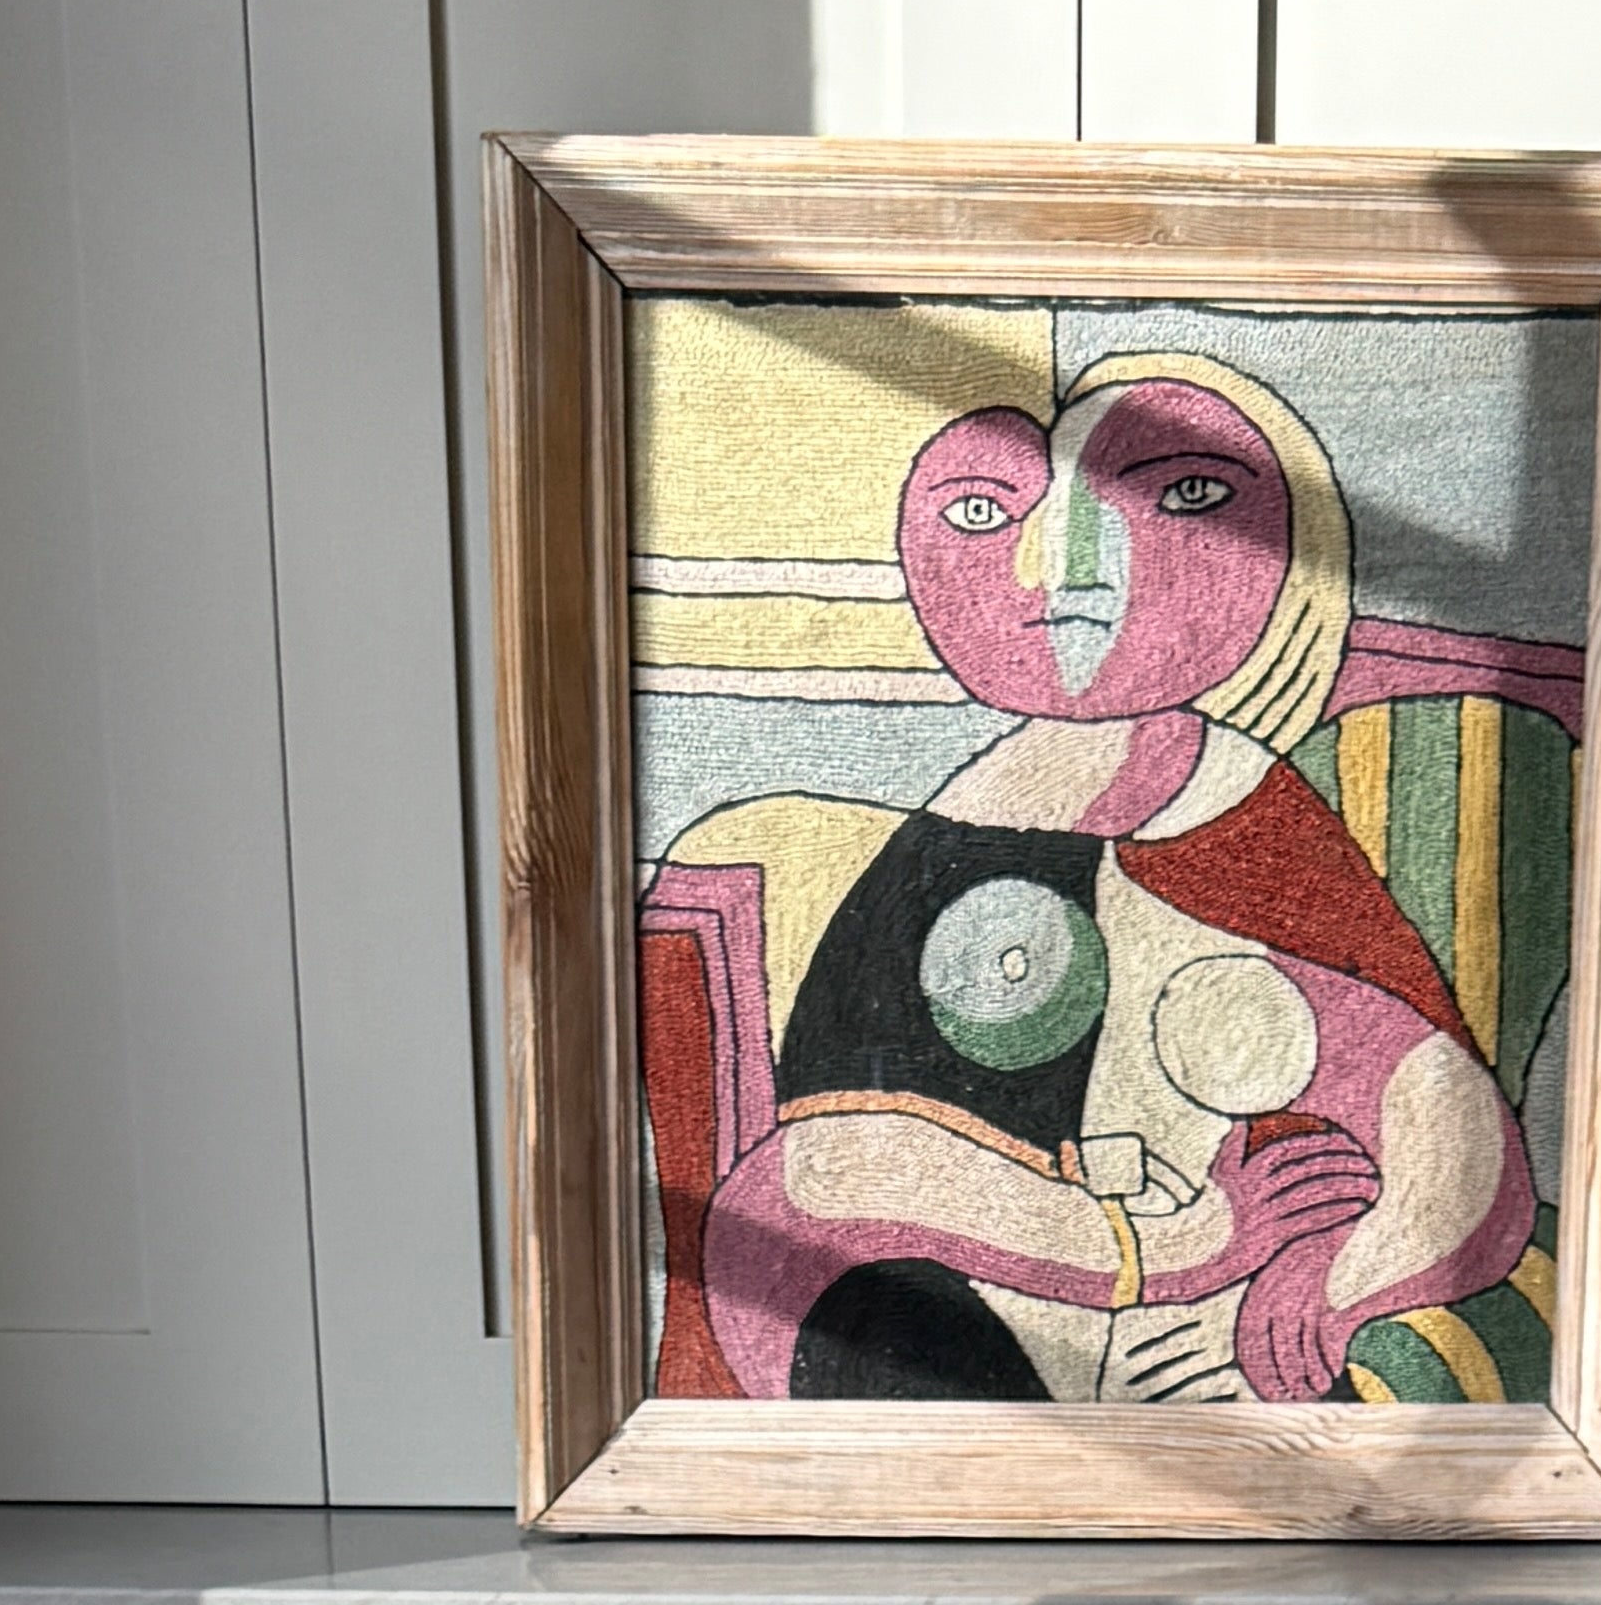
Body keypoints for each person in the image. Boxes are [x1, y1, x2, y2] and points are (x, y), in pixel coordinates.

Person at [651, 355, 1540, 1409]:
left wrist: (1332, 1281)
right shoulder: (961, 819)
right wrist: (1161, 1244)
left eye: (1189, 497)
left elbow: (1446, 1128)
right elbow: (824, 1173)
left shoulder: (1234, 818)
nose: (1068, 569)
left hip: (1176, 1352)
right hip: (937, 1309)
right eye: (983, 511)